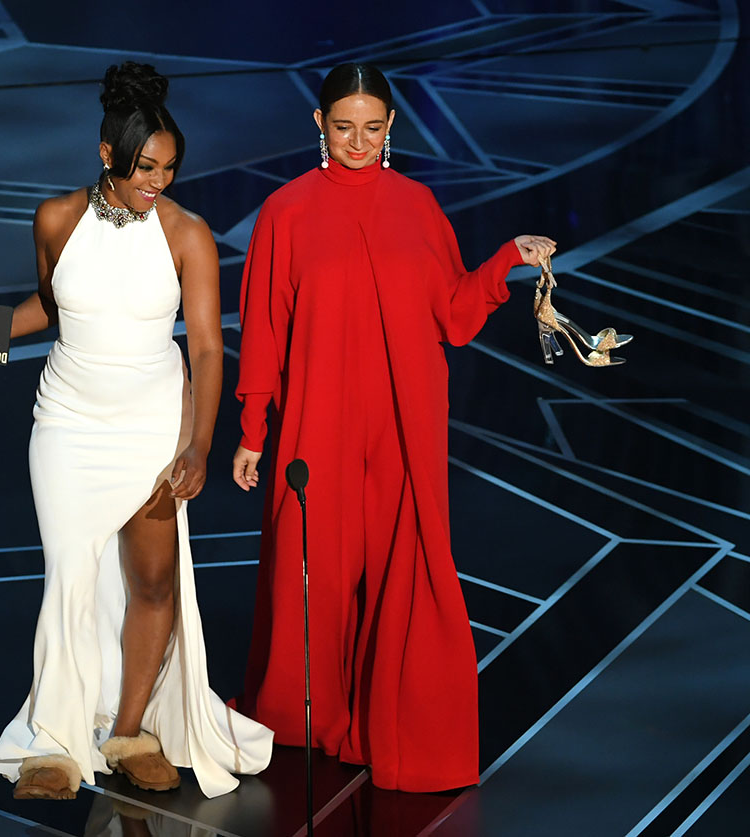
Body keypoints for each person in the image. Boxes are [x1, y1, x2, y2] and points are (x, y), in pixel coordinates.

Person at [0, 62, 272, 800]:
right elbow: (49, 309)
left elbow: (210, 347)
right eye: (144, 167)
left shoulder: (187, 233)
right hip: (66, 423)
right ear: (106, 156)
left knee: (153, 580)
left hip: (153, 426)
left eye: (168, 168)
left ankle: (129, 731)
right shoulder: (56, 219)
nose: (157, 181)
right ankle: (55, 746)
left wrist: (199, 445)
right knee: (70, 576)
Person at [231, 62, 555, 793]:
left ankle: (397, 723)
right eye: (343, 126)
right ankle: (307, 712)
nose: (357, 141)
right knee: (316, 572)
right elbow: (264, 332)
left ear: (391, 127)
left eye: (372, 128)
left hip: (405, 428)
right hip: (318, 425)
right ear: (319, 124)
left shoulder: (417, 205)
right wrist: (255, 429)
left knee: (406, 570)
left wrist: (507, 259)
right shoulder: (286, 212)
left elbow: (453, 313)